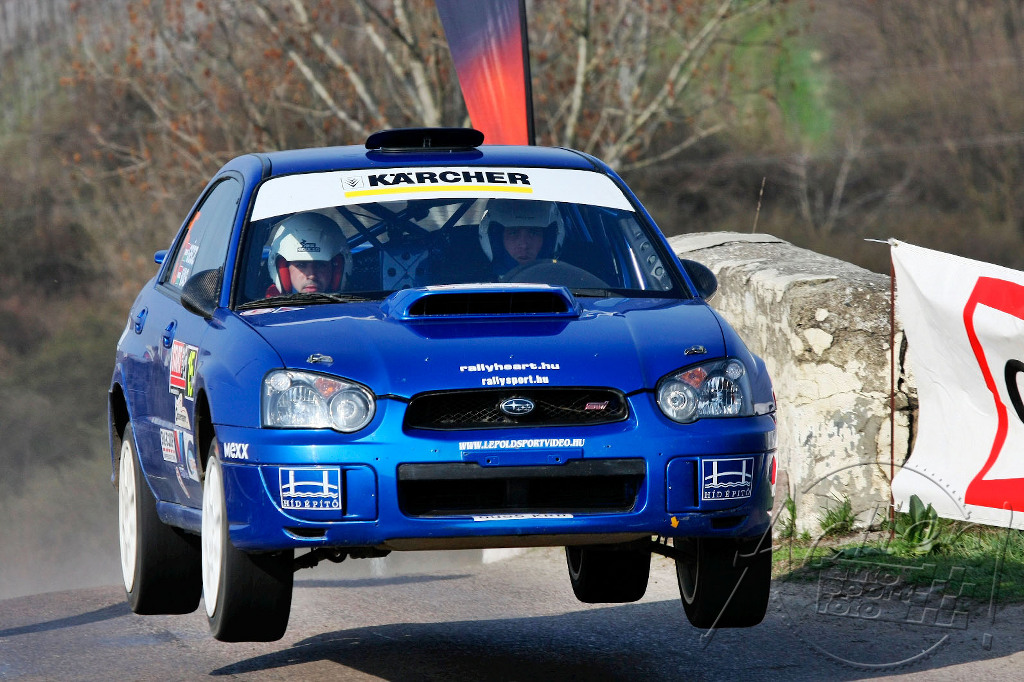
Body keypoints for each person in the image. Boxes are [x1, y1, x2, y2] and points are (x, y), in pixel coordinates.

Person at [265, 212, 351, 297]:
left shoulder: (355, 301)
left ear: (336, 268)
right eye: (301, 265)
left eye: (320, 265)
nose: (312, 275)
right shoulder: (265, 305)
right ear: (284, 268)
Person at [478, 199, 564, 276]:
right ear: (497, 240)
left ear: (548, 239)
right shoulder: (475, 284)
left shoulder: (566, 278)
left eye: (533, 233)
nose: (524, 245)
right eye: (513, 233)